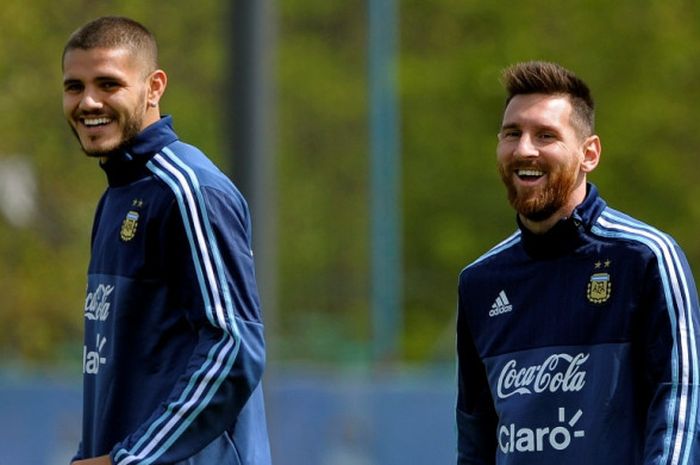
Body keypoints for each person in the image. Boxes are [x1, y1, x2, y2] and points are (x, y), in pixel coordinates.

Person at [456, 61, 700, 464]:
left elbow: (682, 399)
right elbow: (475, 436)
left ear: (589, 154)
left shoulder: (645, 257)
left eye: (546, 135)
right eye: (512, 133)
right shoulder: (480, 281)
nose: (524, 149)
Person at [62, 16, 271, 465]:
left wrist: (130, 459)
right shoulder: (118, 195)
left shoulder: (187, 189)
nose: (88, 102)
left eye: (108, 84)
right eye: (74, 87)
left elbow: (234, 347)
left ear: (154, 87)